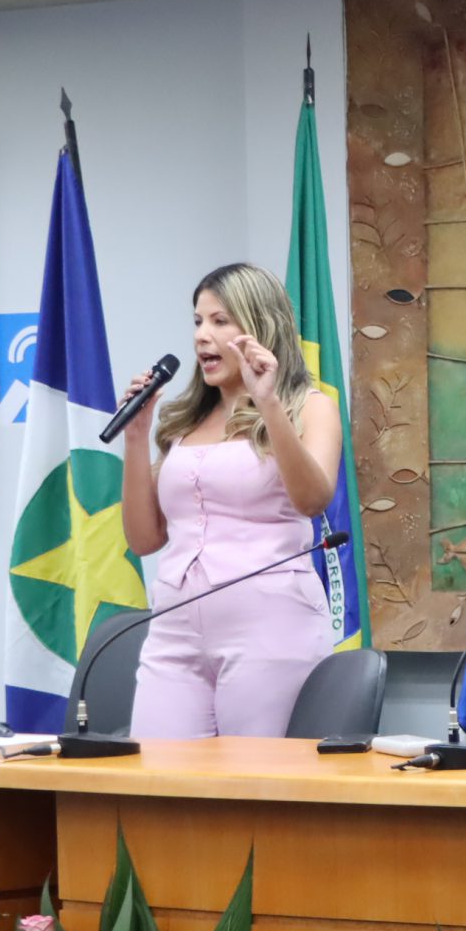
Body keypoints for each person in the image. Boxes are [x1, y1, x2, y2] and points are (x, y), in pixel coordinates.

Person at [119, 262, 343, 738]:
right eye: (197, 321)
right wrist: (136, 436)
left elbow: (312, 500)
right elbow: (143, 540)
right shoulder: (185, 422)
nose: (202, 335)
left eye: (220, 321)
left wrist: (268, 403)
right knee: (156, 771)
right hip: (174, 629)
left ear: (260, 326)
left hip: (269, 627)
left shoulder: (311, 407)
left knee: (251, 776)